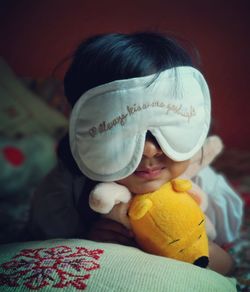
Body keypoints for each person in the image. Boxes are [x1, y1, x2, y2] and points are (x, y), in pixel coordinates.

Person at [28, 31, 243, 276]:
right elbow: (47, 249)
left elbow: (227, 259)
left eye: (165, 127)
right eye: (123, 133)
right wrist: (86, 240)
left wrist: (193, 239)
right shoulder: (68, 188)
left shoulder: (202, 183)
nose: (150, 149)